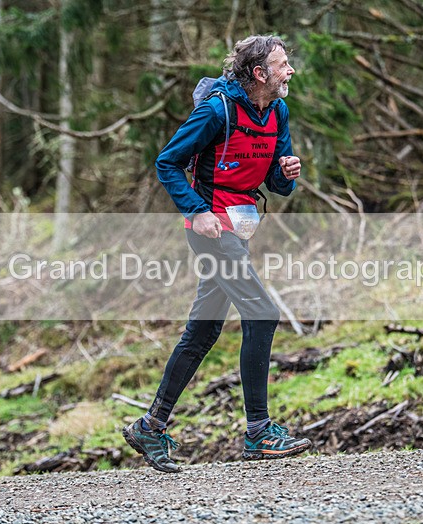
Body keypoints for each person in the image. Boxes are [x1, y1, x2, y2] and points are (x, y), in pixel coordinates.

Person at [122, 35, 311, 473]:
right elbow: (167, 162)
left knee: (203, 331)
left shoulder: (276, 111)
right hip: (209, 228)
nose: (291, 71)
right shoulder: (216, 110)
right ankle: (259, 431)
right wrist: (197, 210)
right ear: (259, 73)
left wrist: (287, 173)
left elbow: (278, 184)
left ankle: (151, 426)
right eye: (283, 65)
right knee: (262, 313)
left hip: (238, 224)